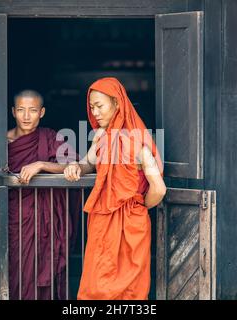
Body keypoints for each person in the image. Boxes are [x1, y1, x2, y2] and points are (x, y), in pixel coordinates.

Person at [64, 77, 166, 300]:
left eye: (99, 106)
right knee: (96, 283)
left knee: (131, 287)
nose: (95, 112)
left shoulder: (138, 142)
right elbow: (88, 162)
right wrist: (76, 166)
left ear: (117, 103)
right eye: (91, 107)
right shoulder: (100, 136)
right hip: (103, 221)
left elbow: (159, 189)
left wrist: (137, 206)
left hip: (132, 223)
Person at [7, 90, 78, 300]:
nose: (26, 116)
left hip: (43, 218)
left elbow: (75, 163)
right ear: (13, 111)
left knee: (43, 264)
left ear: (42, 112)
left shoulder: (50, 137)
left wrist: (41, 165)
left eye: (32, 110)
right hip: (14, 215)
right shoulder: (1, 142)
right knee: (16, 265)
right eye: (21, 110)